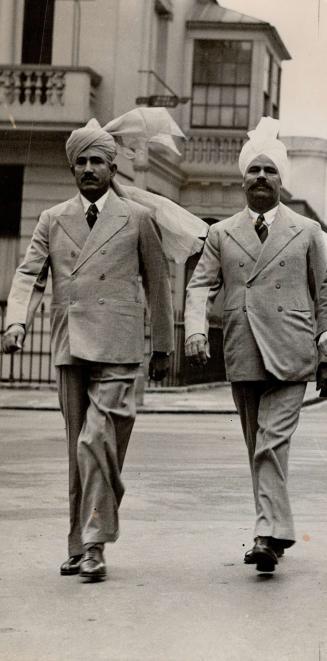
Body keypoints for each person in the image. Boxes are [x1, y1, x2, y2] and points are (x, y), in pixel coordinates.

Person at [2, 108, 200, 582]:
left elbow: (158, 283)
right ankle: (80, 545)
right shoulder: (52, 219)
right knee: (80, 449)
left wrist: (162, 349)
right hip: (71, 346)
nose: (89, 169)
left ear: (114, 169)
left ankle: (94, 543)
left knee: (96, 442)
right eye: (81, 162)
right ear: (73, 169)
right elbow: (29, 273)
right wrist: (15, 322)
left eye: (98, 161)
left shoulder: (137, 217)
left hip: (120, 347)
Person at [184, 117, 327, 573]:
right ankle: (276, 528)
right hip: (244, 351)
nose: (261, 177)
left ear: (281, 180)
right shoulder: (222, 233)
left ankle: (267, 534)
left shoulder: (307, 231)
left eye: (270, 171)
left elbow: (325, 292)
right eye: (254, 171)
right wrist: (194, 330)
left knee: (270, 442)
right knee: (259, 447)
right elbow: (199, 286)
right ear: (242, 179)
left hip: (292, 351)